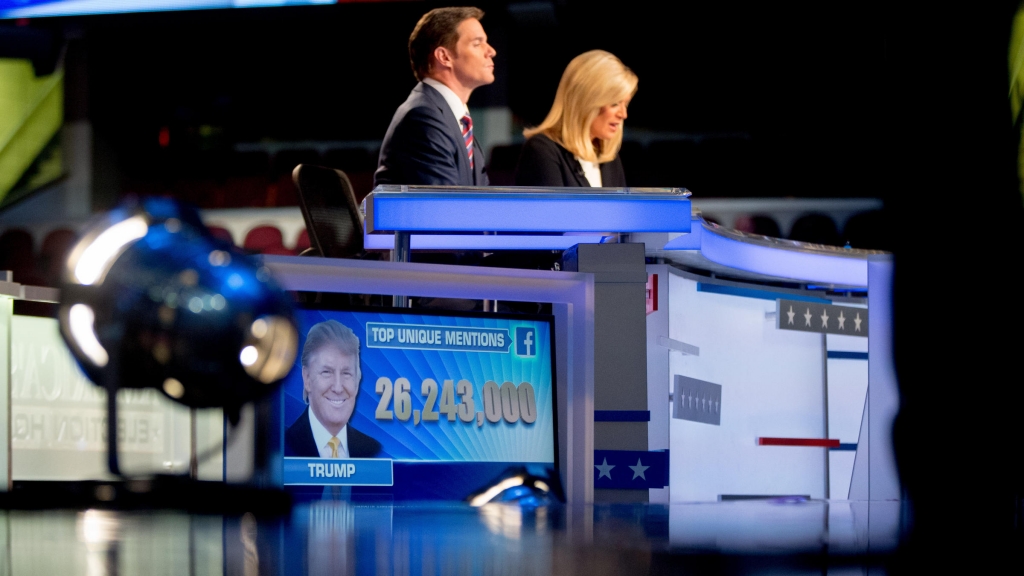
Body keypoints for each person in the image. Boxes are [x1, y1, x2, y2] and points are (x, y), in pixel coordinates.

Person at [374, 6, 495, 187]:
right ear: (444, 57)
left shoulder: (455, 118)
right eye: (477, 44)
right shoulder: (423, 116)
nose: (491, 51)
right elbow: (444, 208)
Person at [514, 50, 636, 188]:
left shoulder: (609, 159)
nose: (623, 114)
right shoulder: (542, 151)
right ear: (586, 101)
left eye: (625, 104)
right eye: (614, 103)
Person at [285, 320, 382, 458]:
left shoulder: (373, 451)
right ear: (307, 378)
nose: (338, 387)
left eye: (346, 373)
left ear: (358, 379)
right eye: (327, 372)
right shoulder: (283, 446)